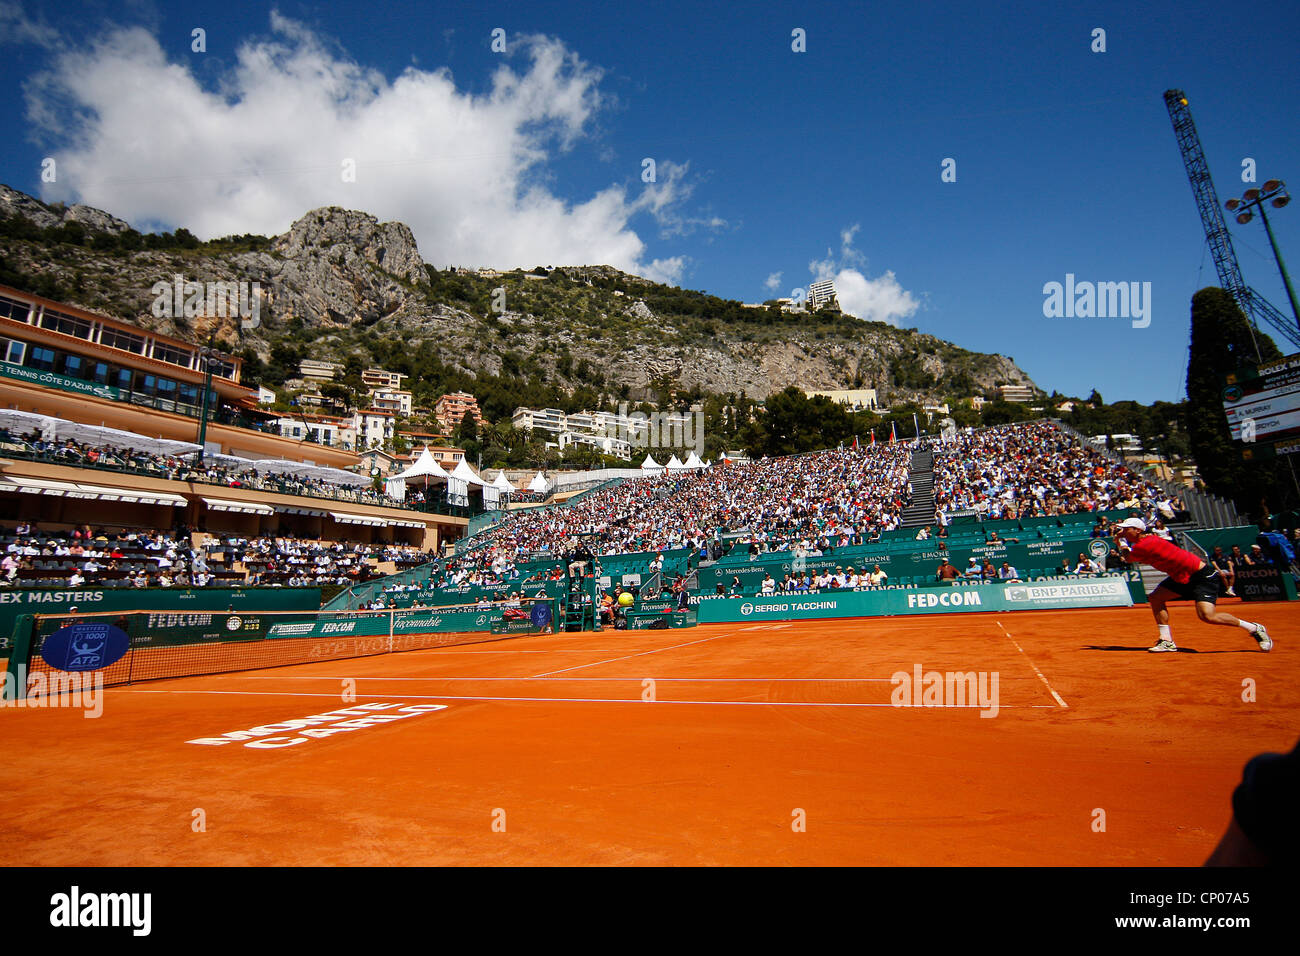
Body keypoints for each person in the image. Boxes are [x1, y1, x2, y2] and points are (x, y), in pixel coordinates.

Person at [1111, 517, 1270, 653]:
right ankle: (1166, 640)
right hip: (1181, 577)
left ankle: (1254, 628)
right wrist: (1122, 540)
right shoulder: (1145, 542)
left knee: (1207, 616)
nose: (1123, 531)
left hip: (1201, 576)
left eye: (1126, 529)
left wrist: (1121, 542)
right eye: (1122, 529)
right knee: (1156, 598)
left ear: (1137, 530)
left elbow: (1129, 558)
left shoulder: (1146, 544)